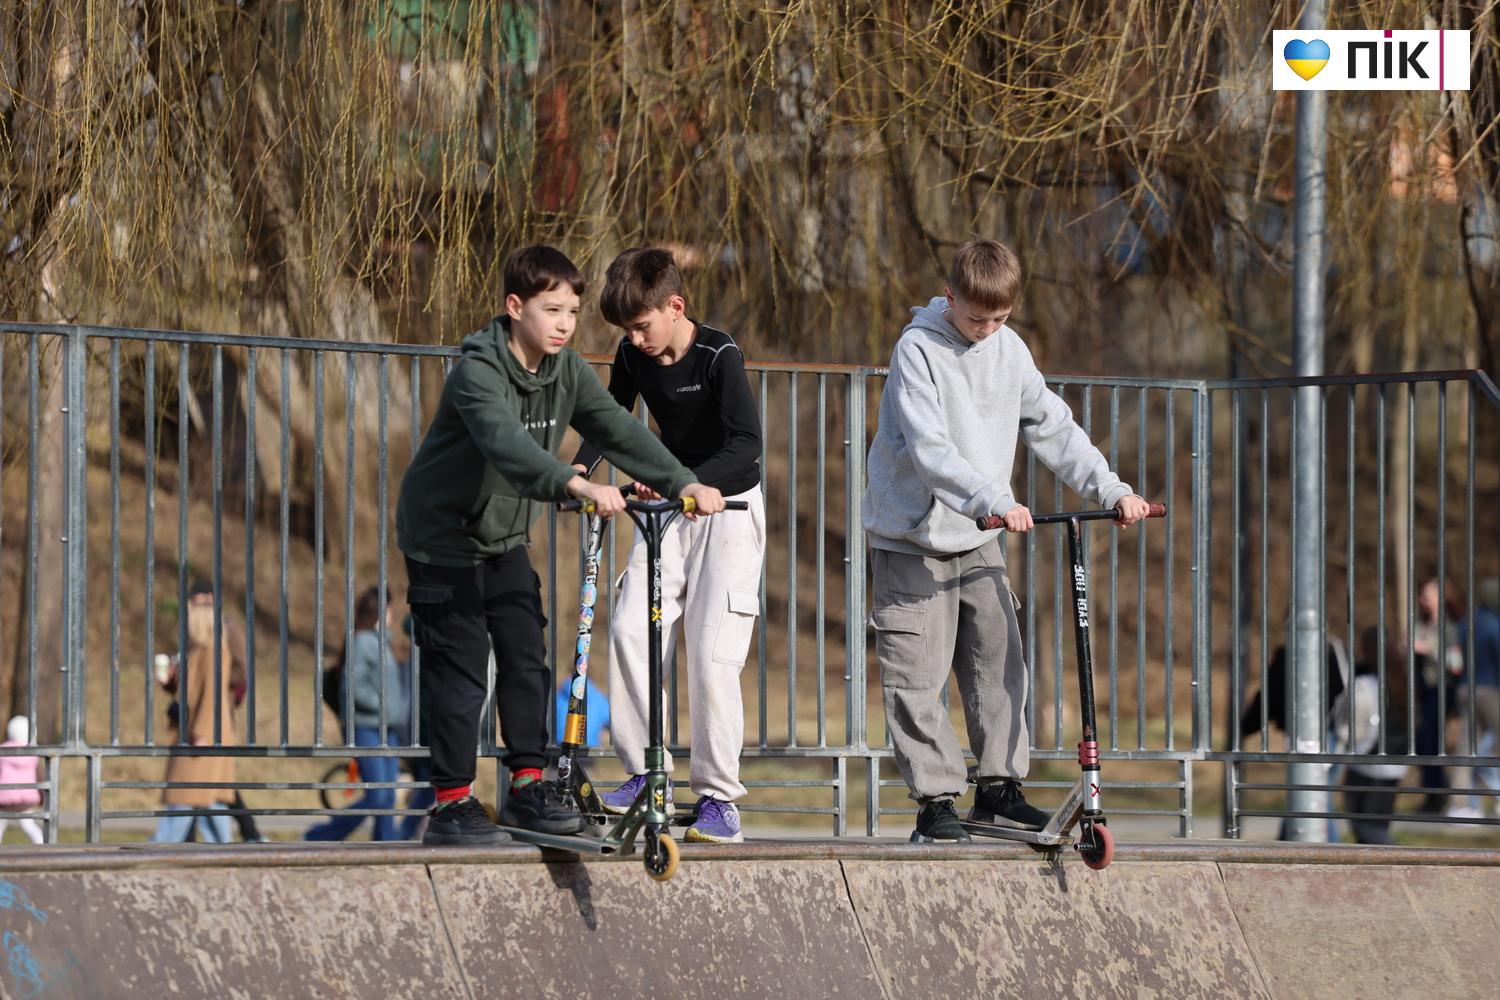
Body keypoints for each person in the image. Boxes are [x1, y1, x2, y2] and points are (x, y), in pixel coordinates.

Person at [395, 244, 725, 846]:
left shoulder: (565, 371)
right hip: (442, 538)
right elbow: (506, 446)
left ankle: (527, 787)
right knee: (461, 668)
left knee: (526, 655)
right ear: (514, 307)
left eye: (572, 311)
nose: (565, 324)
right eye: (552, 311)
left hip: (503, 536)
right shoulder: (479, 370)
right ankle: (451, 804)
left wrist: (684, 481)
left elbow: (617, 429)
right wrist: (575, 483)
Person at [863, 238, 1150, 844]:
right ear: (949, 298)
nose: (987, 330)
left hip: (979, 533)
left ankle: (999, 788)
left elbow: (1053, 427)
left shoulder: (1010, 349)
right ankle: (935, 800)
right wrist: (992, 499)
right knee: (917, 672)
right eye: (976, 318)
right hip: (913, 533)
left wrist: (1110, 489)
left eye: (1000, 318)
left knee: (998, 660)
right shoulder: (917, 350)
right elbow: (931, 449)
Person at [572, 247, 765, 845]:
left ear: (675, 306)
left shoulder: (719, 354)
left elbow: (747, 444)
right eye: (626, 330)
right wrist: (579, 471)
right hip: (671, 506)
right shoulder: (634, 354)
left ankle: (718, 800)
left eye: (641, 325)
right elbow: (610, 418)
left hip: (727, 507)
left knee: (712, 654)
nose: (634, 339)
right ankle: (645, 775)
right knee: (631, 629)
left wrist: (692, 482)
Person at [304, 585, 412, 842]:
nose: (392, 613)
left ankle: (386, 846)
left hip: (386, 729)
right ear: (382, 610)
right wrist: (382, 705)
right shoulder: (362, 642)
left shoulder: (382, 642)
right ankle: (320, 836)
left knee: (388, 794)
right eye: (390, 608)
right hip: (366, 727)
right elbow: (352, 686)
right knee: (378, 795)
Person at [151, 591, 237, 843]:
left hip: (203, 733)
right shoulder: (199, 650)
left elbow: (212, 695)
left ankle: (160, 850)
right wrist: (170, 680)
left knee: (186, 795)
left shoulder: (214, 650)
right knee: (207, 798)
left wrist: (202, 733)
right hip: (198, 731)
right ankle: (224, 853)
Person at [1335, 628, 1410, 845]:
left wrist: (1354, 747)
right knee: (1377, 824)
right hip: (1398, 761)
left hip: (1369, 760)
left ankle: (1400, 857)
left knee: (1365, 826)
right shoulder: (1404, 677)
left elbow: (1360, 722)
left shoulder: (1366, 681)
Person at [1444, 588, 1500, 820]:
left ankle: (1460, 803)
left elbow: (1455, 657)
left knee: (1467, 748)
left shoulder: (1465, 623)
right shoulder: (1493, 624)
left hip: (1465, 688)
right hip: (1490, 689)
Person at [1411, 578, 1463, 813]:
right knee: (1424, 742)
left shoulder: (1449, 628)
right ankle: (1434, 790)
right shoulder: (1422, 625)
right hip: (1424, 689)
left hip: (1442, 689)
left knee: (1431, 741)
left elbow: (1455, 664)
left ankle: (1438, 794)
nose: (1423, 600)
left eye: (1428, 595)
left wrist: (1427, 650)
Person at [0, 716, 44, 844]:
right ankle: (41, 845)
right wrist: (42, 797)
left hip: (3, 800)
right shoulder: (33, 753)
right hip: (25, 800)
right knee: (29, 826)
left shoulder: (2, 751)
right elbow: (40, 777)